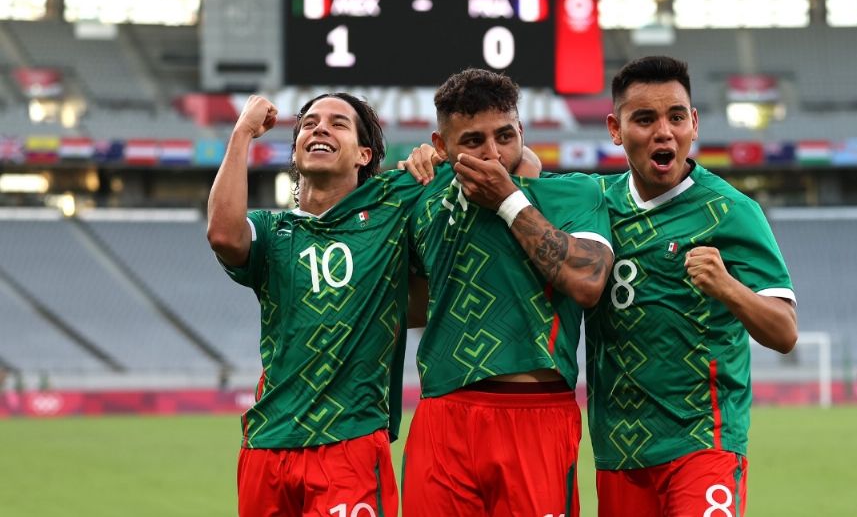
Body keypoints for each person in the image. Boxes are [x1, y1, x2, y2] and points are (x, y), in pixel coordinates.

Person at [581, 56, 798, 516]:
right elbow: (519, 173)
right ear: (615, 129)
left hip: (703, 440)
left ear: (694, 123)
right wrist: (432, 159)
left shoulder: (731, 210)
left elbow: (784, 332)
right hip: (620, 450)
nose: (664, 131)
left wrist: (728, 288)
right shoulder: (594, 206)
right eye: (645, 118)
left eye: (676, 116)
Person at [399, 68, 614, 517]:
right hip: (443, 415)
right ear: (441, 147)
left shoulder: (575, 193)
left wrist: (508, 199)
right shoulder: (423, 199)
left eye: (505, 135)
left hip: (535, 415)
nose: (494, 154)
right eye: (473, 141)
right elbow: (411, 308)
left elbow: (588, 282)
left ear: (522, 131)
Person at [207, 92, 423, 517]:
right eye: (309, 123)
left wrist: (430, 157)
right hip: (268, 445)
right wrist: (243, 132)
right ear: (295, 152)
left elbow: (502, 161)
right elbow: (223, 235)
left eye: (338, 123)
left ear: (364, 154)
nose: (319, 127)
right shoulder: (272, 232)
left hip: (350, 442)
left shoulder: (391, 212)